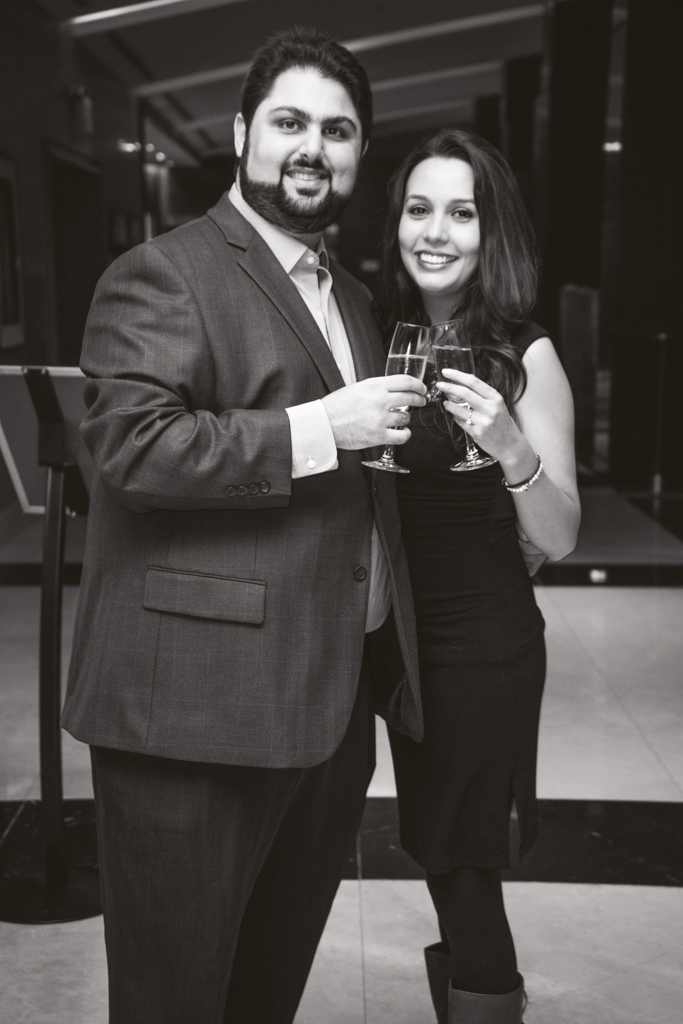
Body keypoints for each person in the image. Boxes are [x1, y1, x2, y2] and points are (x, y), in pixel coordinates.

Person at [61, 27, 426, 1024]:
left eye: (339, 129)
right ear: (240, 133)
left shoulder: (349, 295)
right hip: (195, 709)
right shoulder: (165, 272)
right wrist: (321, 428)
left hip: (327, 707)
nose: (314, 147)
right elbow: (131, 452)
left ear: (360, 152)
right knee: (175, 998)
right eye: (290, 122)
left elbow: (351, 471)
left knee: (263, 993)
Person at [374, 128, 580, 1024]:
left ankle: (489, 1000)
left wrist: (507, 448)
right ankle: (471, 995)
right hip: (394, 636)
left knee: (461, 859)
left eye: (461, 212)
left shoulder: (525, 354)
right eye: (419, 208)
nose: (436, 230)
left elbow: (562, 533)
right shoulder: (373, 329)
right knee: (432, 841)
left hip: (480, 644)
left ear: (489, 230)